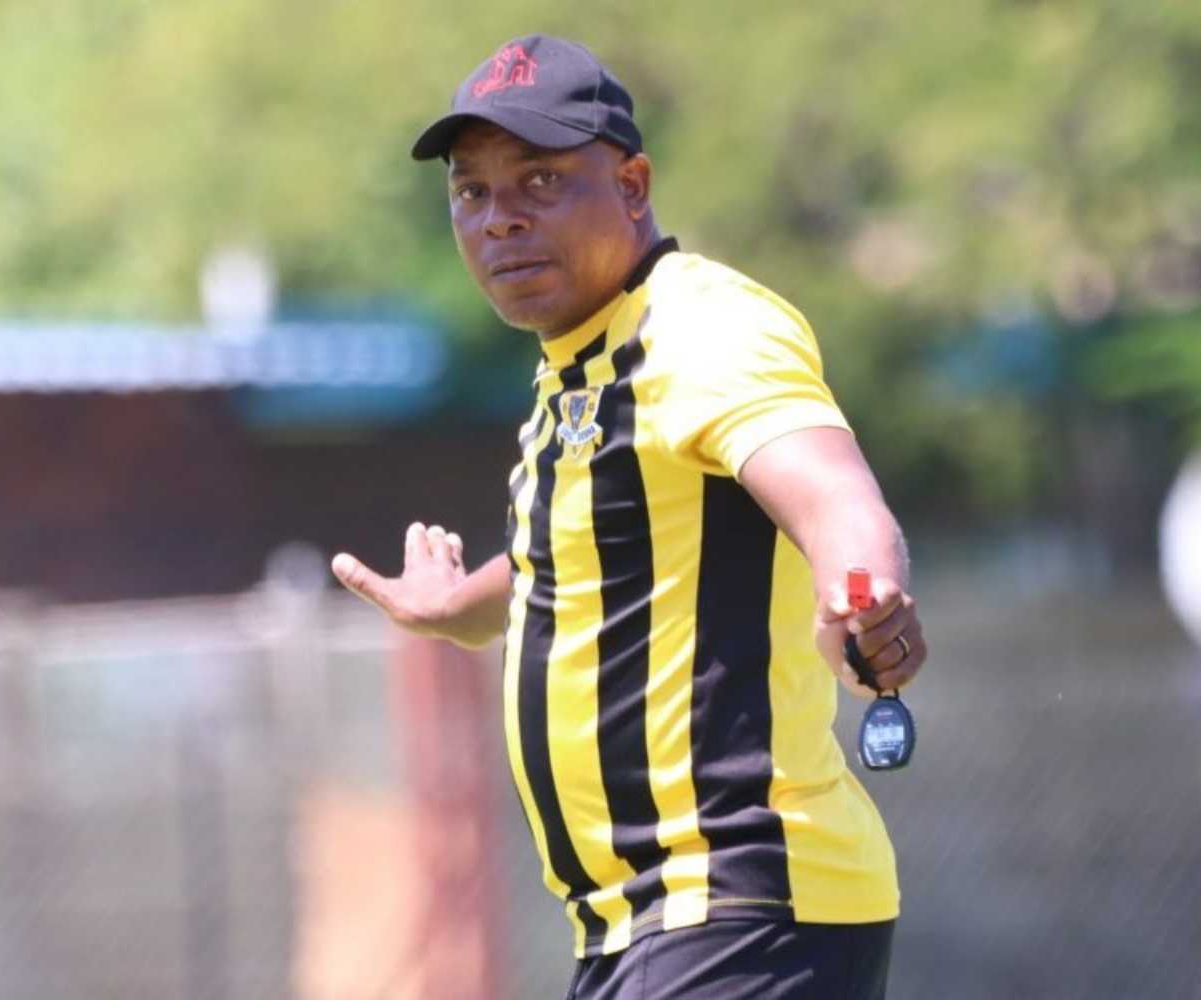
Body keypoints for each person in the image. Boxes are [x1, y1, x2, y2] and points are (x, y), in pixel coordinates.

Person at [330, 34, 926, 1000]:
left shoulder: (700, 328)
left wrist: (857, 593)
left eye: (539, 180)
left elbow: (836, 498)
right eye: (471, 192)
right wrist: (456, 609)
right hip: (650, 926)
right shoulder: (577, 362)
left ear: (634, 184)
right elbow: (566, 569)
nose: (500, 220)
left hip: (738, 901)